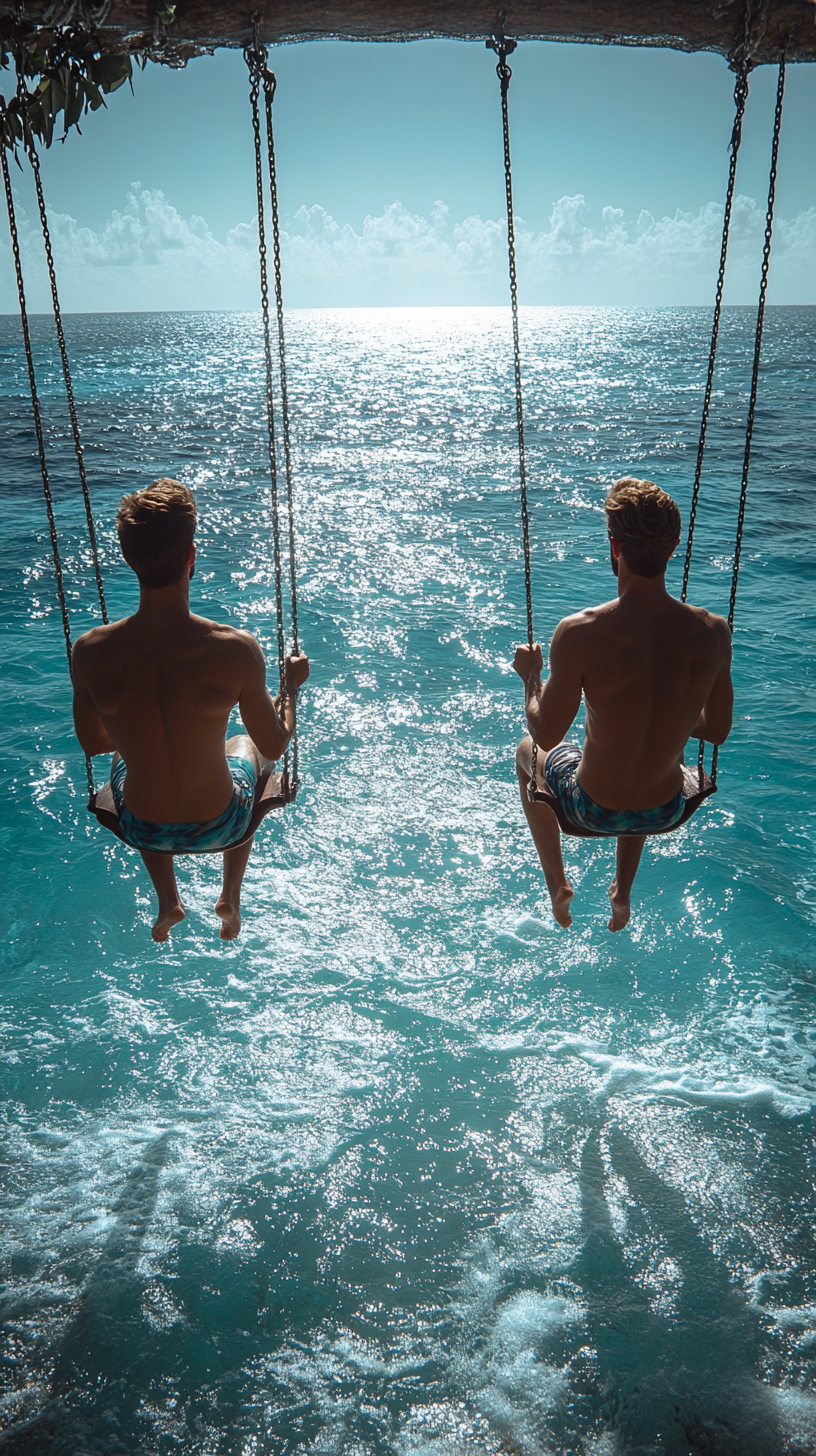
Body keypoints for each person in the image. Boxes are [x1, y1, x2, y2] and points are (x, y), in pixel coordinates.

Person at [72, 478, 309, 943]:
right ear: (190, 555)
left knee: (131, 755)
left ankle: (168, 901)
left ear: (129, 559)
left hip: (143, 828)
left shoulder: (90, 651)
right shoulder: (233, 649)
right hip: (224, 823)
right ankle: (229, 897)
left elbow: (95, 744)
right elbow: (275, 746)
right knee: (241, 744)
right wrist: (291, 689)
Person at [513, 477, 733, 933]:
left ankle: (557, 885)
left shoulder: (580, 632)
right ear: (673, 548)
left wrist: (531, 677)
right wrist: (670, 714)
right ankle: (623, 890)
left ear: (614, 545)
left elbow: (547, 734)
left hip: (589, 809)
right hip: (666, 808)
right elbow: (715, 731)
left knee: (524, 752)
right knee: (652, 749)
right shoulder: (713, 632)